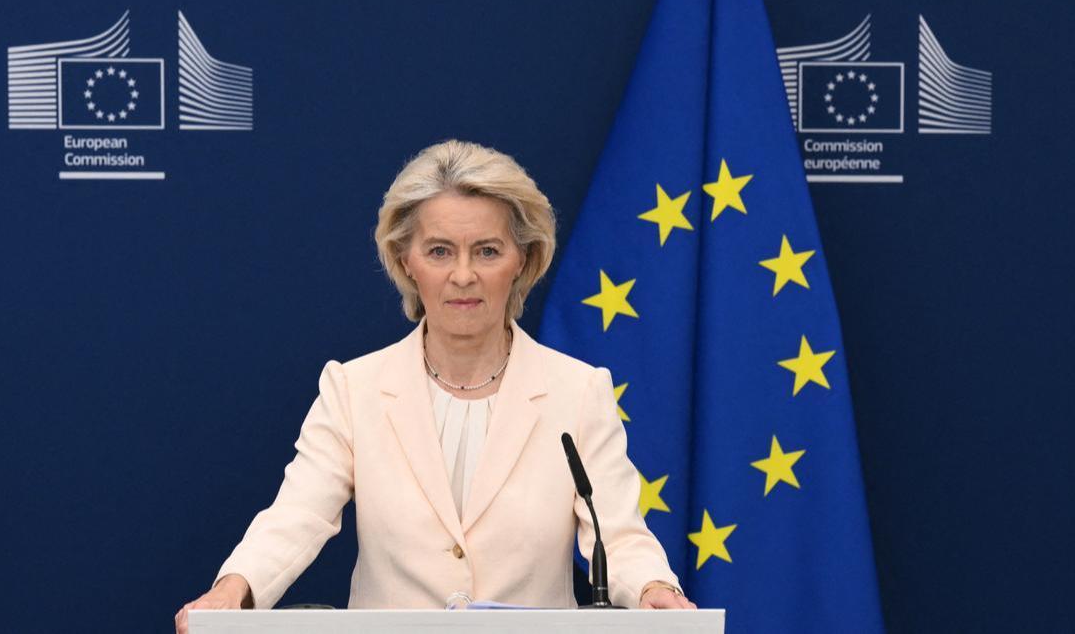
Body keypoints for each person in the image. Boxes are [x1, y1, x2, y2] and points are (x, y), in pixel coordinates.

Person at [174, 140, 694, 631]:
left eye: (487, 251)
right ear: (406, 260)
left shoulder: (577, 392)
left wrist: (653, 589)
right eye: (440, 251)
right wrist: (233, 591)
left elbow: (620, 535)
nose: (463, 275)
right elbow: (297, 516)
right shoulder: (354, 388)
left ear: (523, 261)